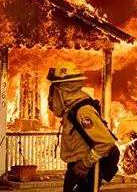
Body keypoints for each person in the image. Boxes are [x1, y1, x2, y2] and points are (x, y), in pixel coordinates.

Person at [47, 62, 117, 192]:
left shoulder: (82, 110)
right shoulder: (71, 109)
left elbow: (106, 141)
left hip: (86, 169)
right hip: (77, 167)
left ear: (63, 88)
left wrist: (85, 164)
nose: (51, 93)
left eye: (54, 87)